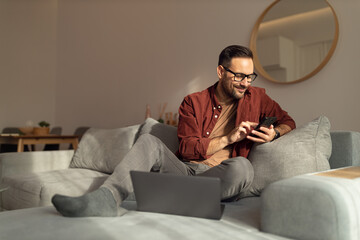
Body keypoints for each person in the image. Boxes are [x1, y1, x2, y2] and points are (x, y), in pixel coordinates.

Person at [52, 45, 296, 217]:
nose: (245, 82)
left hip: (219, 177)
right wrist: (229, 137)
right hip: (185, 171)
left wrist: (274, 133)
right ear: (221, 72)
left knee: (243, 168)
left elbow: (288, 121)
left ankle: (171, 198)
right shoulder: (193, 102)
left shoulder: (258, 97)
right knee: (149, 141)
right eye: (239, 76)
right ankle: (106, 199)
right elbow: (188, 148)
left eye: (250, 76)